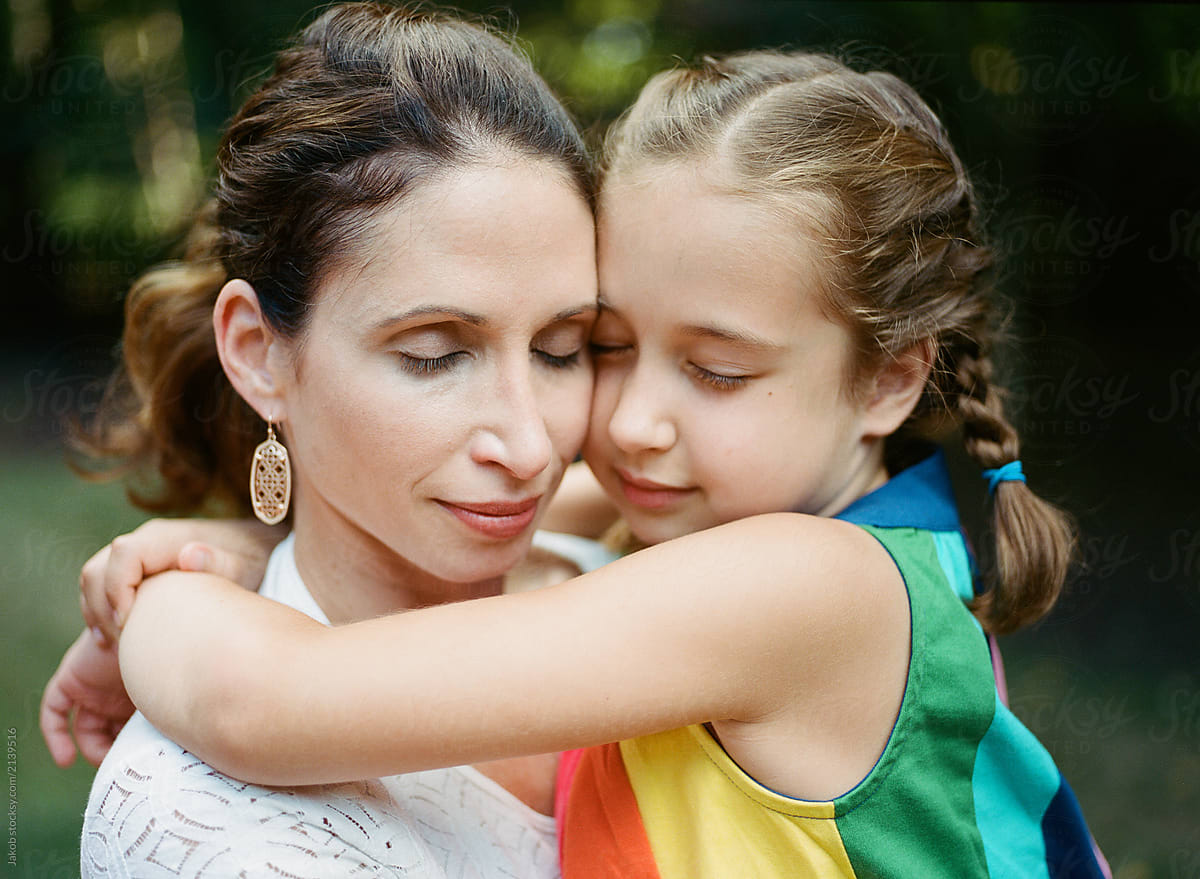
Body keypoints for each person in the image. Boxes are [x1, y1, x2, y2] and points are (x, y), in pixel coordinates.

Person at [49, 49, 1111, 878]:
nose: (629, 423)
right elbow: (543, 499)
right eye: (601, 347)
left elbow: (264, 705)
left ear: (886, 381)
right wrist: (247, 544)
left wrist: (146, 610)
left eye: (718, 371)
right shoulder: (776, 512)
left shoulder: (807, 588)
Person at [49, 3, 618, 876]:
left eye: (561, 349)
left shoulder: (633, 561)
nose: (533, 445)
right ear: (257, 352)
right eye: (434, 355)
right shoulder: (208, 824)